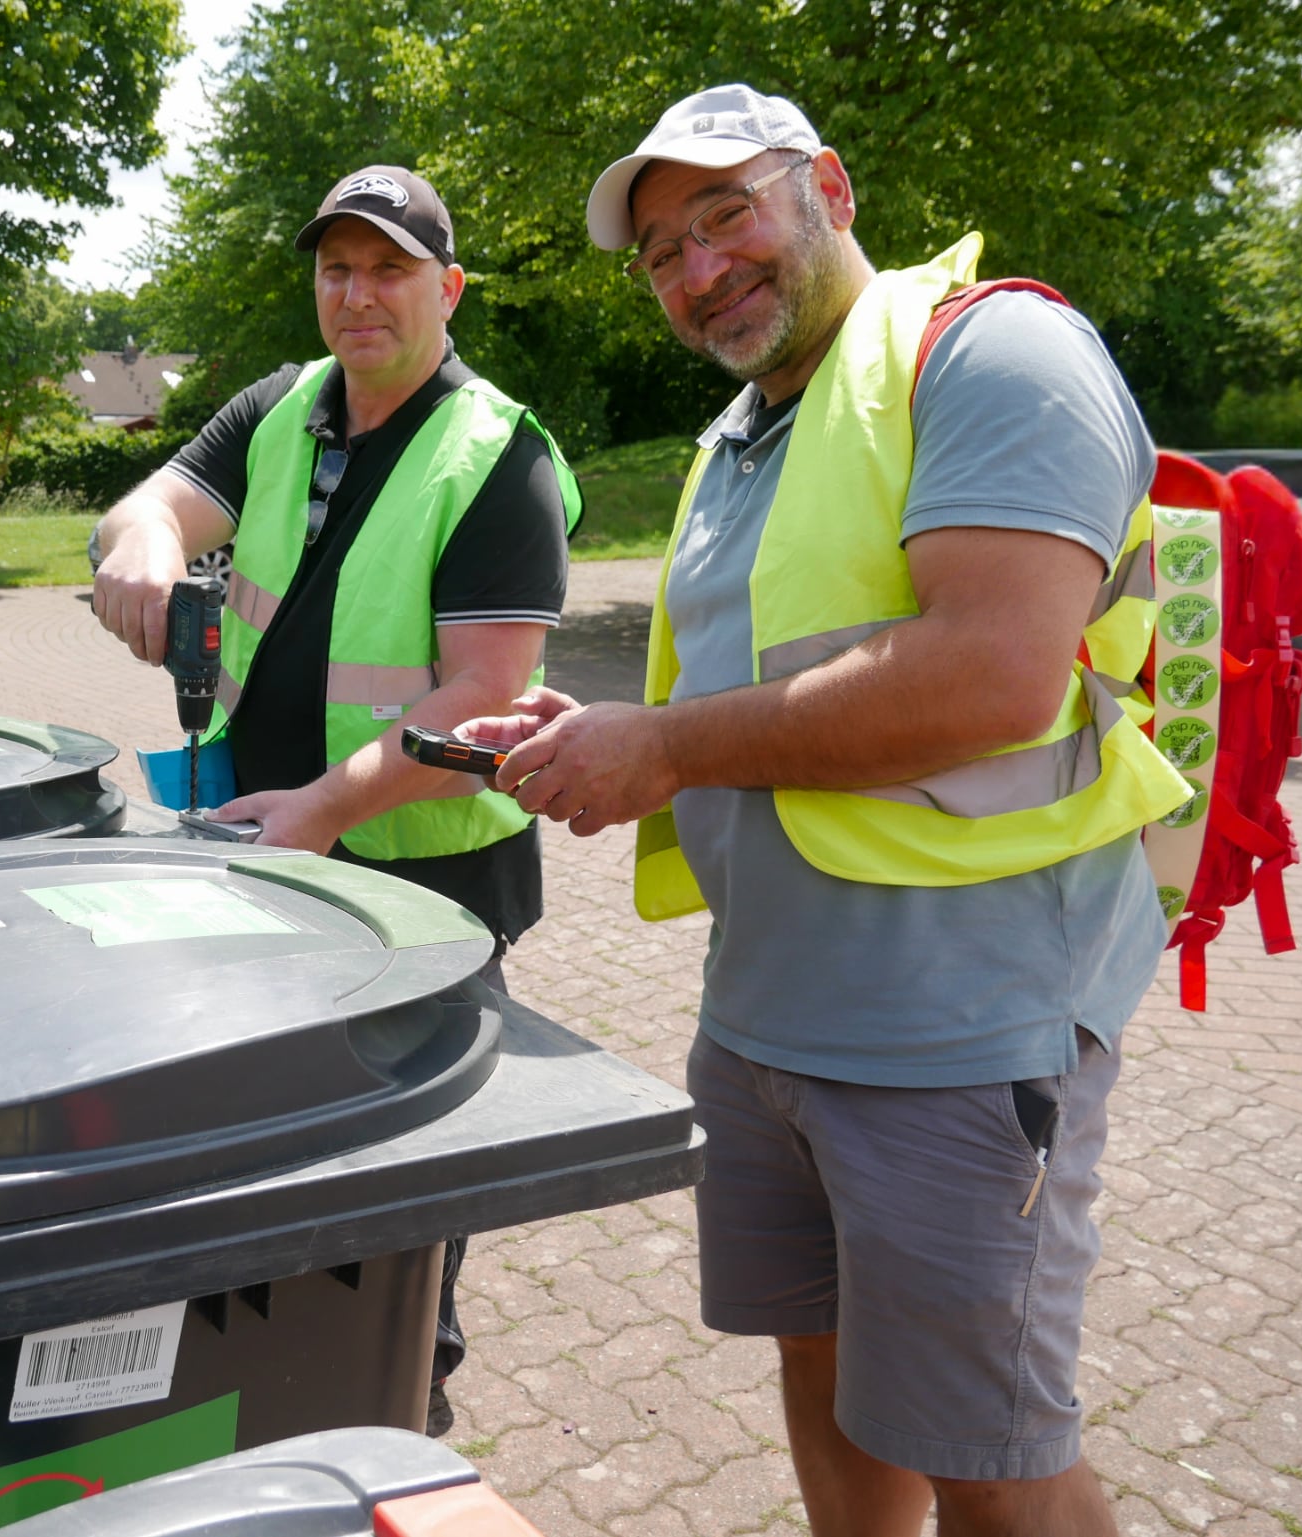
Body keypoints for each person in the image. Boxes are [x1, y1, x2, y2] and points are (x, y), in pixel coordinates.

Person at [458, 86, 1190, 1535]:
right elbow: (760, 682)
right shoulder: (741, 436)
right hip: (766, 1018)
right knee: (828, 1365)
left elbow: (993, 671)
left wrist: (661, 746)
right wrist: (594, 734)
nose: (697, 267)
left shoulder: (992, 350)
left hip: (961, 1033)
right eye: (661, 249)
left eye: (726, 213)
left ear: (830, 188)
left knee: (991, 1445)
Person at [88, 165, 584, 1407]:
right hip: (267, 855)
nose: (357, 295)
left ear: (447, 288)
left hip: (423, 889)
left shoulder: (500, 456)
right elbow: (154, 504)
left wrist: (319, 813)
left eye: (389, 269)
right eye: (335, 269)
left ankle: (402, 1393)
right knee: (265, 1145)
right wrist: (141, 540)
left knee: (403, 1179)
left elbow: (478, 688)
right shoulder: (279, 407)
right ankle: (268, 1376)